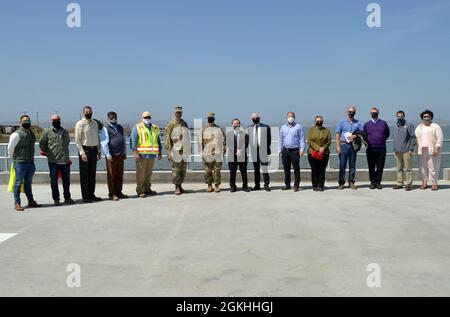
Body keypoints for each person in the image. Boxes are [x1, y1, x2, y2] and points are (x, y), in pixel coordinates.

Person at [39, 114, 75, 206]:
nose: (56, 121)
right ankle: (56, 199)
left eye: (57, 119)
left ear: (60, 120)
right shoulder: (47, 132)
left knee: (66, 181)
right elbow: (42, 144)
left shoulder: (65, 132)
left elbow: (66, 144)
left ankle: (67, 198)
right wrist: (49, 153)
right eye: (54, 120)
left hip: (65, 161)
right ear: (51, 121)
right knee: (54, 181)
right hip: (53, 161)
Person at [7, 114, 41, 211]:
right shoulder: (16, 134)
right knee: (18, 183)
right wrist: (14, 159)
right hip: (20, 163)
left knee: (28, 183)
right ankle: (17, 203)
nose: (27, 122)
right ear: (20, 123)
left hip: (30, 163)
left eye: (28, 121)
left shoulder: (31, 133)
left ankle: (31, 201)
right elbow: (10, 148)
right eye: (25, 121)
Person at [130, 111, 162, 198]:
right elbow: (133, 140)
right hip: (141, 155)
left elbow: (158, 141)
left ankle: (147, 189)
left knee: (148, 174)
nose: (147, 119)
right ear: (142, 118)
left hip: (152, 155)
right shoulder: (137, 127)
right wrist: (135, 153)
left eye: (149, 117)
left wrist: (160, 152)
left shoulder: (155, 128)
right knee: (141, 174)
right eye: (145, 117)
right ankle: (140, 191)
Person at [75, 106, 102, 203]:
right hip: (85, 151)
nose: (88, 113)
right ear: (83, 113)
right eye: (87, 112)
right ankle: (85, 197)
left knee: (92, 174)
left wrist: (99, 151)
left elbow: (97, 138)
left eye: (90, 112)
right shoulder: (80, 124)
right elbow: (77, 140)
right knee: (84, 175)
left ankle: (91, 194)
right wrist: (82, 153)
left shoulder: (95, 123)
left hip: (94, 150)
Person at [101, 111, 128, 201]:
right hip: (111, 155)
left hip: (120, 154)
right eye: (111, 117)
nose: (113, 118)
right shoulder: (106, 128)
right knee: (111, 175)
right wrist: (108, 155)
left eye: (114, 116)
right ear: (108, 118)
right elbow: (104, 143)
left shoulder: (120, 127)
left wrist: (124, 152)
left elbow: (123, 140)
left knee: (119, 174)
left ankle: (119, 192)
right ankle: (112, 194)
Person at [164, 106, 190, 195]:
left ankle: (180, 186)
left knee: (183, 170)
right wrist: (169, 152)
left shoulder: (184, 123)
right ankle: (176, 187)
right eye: (177, 112)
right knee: (176, 170)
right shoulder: (170, 124)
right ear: (174, 113)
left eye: (180, 112)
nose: (179, 113)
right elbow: (167, 139)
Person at [415, 110, 444, 191]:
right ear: (422, 118)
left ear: (431, 117)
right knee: (423, 167)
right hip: (421, 150)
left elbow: (440, 138)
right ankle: (424, 182)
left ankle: (434, 183)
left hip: (432, 149)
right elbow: (416, 138)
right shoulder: (419, 127)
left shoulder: (435, 126)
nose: (426, 118)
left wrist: (437, 148)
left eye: (428, 116)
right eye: (424, 117)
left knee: (433, 167)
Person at [336, 106, 363, 190]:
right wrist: (337, 146)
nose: (351, 113)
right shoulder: (342, 121)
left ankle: (351, 182)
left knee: (352, 165)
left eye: (352, 112)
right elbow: (337, 133)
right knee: (342, 165)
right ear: (347, 112)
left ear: (355, 112)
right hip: (344, 145)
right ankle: (341, 183)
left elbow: (362, 133)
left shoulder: (358, 123)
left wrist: (355, 135)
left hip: (353, 145)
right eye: (349, 112)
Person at [363, 107, 390, 189]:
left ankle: (378, 182)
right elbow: (364, 135)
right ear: (370, 114)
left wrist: (381, 140)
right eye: (372, 112)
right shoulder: (366, 124)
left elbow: (387, 134)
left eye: (375, 112)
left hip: (381, 148)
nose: (374, 113)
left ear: (378, 113)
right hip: (370, 149)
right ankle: (372, 182)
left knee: (380, 167)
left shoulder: (384, 123)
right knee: (371, 167)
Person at [199, 112, 226, 193]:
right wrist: (201, 152)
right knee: (207, 171)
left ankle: (217, 185)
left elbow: (224, 141)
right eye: (209, 118)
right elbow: (199, 142)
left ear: (214, 119)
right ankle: (209, 185)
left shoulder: (219, 129)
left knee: (217, 171)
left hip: (217, 154)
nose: (211, 119)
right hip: (207, 154)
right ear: (207, 119)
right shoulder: (203, 129)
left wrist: (223, 151)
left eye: (212, 118)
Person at [279, 112, 305, 192]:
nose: (290, 117)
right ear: (287, 117)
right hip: (285, 151)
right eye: (289, 116)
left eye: (292, 116)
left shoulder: (298, 126)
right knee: (286, 169)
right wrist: (280, 150)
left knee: (296, 169)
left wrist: (301, 150)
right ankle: (287, 185)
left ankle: (296, 185)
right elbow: (281, 140)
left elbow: (302, 139)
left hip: (295, 151)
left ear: (294, 117)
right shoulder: (283, 127)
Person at [247, 113, 272, 192]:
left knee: (264, 168)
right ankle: (257, 185)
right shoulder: (249, 128)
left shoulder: (265, 127)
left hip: (263, 150)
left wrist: (267, 148)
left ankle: (266, 185)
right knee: (256, 169)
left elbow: (269, 139)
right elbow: (248, 140)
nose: (255, 119)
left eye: (256, 117)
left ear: (259, 118)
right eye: (253, 118)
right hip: (254, 151)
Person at [393, 110, 416, 191]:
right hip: (397, 151)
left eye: (401, 116)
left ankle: (409, 184)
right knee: (399, 168)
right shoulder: (395, 125)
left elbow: (413, 137)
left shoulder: (409, 125)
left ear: (404, 116)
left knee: (408, 168)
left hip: (406, 151)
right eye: (398, 116)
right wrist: (394, 149)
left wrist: (411, 149)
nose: (400, 118)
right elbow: (395, 138)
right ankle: (400, 183)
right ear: (397, 117)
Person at [307, 115, 331, 191]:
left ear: (323, 121)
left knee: (322, 170)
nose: (319, 122)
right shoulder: (311, 130)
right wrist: (318, 148)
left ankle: (321, 185)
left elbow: (329, 141)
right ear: (315, 121)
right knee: (314, 169)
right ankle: (315, 185)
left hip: (324, 153)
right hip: (313, 153)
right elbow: (309, 140)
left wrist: (323, 148)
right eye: (317, 121)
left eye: (320, 121)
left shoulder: (327, 130)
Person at [226, 119, 250, 193]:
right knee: (232, 172)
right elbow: (229, 145)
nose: (236, 125)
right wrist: (235, 151)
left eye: (238, 123)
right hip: (232, 156)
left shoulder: (245, 134)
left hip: (242, 155)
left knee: (244, 172)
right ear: (232, 125)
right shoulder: (229, 134)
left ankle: (245, 186)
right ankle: (233, 186)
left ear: (239, 125)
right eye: (235, 123)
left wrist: (240, 150)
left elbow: (245, 144)